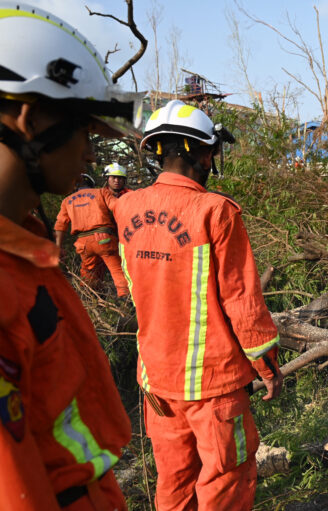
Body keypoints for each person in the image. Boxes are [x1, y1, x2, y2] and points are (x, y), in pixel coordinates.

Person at [0, 3, 143, 509]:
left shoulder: (26, 244)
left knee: (96, 278)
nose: (90, 151)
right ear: (30, 117)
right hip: (102, 241)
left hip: (76, 245)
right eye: (84, 128)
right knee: (115, 278)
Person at [112, 100, 283, 511]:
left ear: (158, 153)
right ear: (205, 153)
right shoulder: (215, 211)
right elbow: (243, 302)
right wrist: (268, 367)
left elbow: (137, 286)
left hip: (156, 380)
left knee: (174, 480)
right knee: (227, 478)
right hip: (213, 384)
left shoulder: (126, 207)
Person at [54, 169, 130, 297]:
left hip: (83, 244)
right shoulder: (101, 192)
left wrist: (58, 247)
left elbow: (60, 226)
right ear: (91, 184)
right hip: (104, 238)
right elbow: (117, 207)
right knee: (117, 270)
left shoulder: (67, 201)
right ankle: (125, 299)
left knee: (89, 274)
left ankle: (91, 299)